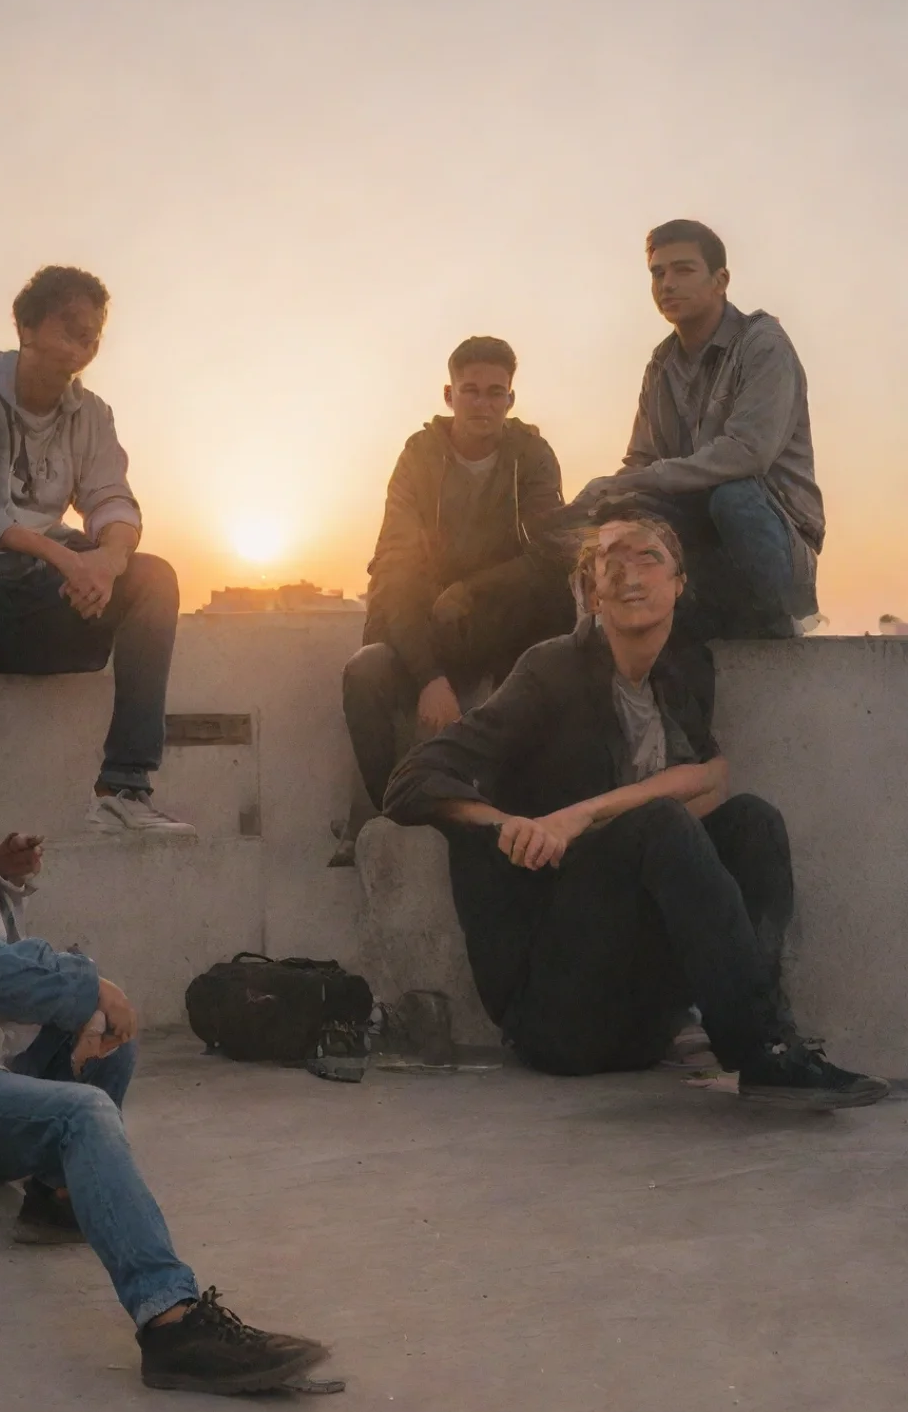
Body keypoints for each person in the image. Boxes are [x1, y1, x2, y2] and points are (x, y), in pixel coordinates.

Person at [0, 706, 330, 1394]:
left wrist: (1, 883)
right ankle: (172, 1325)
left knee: (107, 1035)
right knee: (83, 1111)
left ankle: (56, 1199)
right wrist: (83, 983)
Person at [383, 507, 886, 1108]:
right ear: (591, 592)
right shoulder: (551, 671)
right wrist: (504, 824)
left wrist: (585, 813)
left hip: (644, 1023)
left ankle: (757, 1042)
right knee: (660, 825)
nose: (629, 574)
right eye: (609, 561)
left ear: (678, 585)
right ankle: (766, 1050)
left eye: (649, 557)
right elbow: (410, 780)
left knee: (753, 823)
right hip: (556, 1015)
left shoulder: (684, 672)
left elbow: (711, 778)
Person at [0, 265, 191, 834]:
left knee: (154, 578)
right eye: (71, 325)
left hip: (31, 614)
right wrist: (64, 557)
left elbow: (113, 500)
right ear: (27, 326)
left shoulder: (91, 415)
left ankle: (123, 789)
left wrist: (108, 560)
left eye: (95, 332)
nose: (86, 342)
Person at [334, 336, 575, 861]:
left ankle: (526, 808)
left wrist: (471, 588)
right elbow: (394, 568)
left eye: (495, 393)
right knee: (365, 672)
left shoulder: (530, 454)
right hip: (424, 627)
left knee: (554, 609)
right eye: (471, 392)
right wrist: (429, 677)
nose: (483, 405)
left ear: (511, 400)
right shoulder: (418, 456)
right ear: (449, 394)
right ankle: (384, 818)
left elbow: (550, 556)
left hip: (502, 623)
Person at [572, 221, 823, 640]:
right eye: (658, 273)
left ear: (720, 280)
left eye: (683, 270)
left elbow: (747, 452)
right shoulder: (662, 363)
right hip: (695, 538)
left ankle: (779, 621)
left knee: (733, 495)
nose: (667, 284)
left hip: (774, 539)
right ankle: (614, 631)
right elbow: (641, 460)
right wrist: (606, 494)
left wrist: (639, 480)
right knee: (610, 511)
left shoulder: (763, 344)